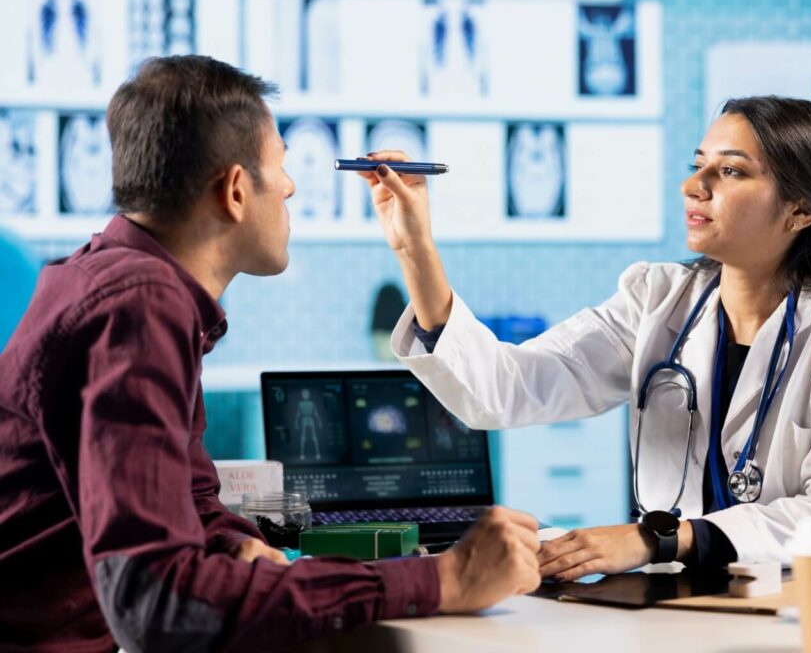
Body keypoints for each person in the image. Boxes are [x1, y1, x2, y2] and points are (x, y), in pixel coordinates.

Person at [0, 55, 540, 653]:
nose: (290, 186)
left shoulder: (108, 274)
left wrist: (236, 546)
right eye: (280, 166)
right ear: (235, 190)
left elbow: (189, 498)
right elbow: (158, 600)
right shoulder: (142, 303)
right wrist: (444, 578)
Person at [362, 96, 811, 582]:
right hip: (689, 596)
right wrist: (415, 247)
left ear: (801, 209)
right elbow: (504, 391)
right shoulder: (659, 298)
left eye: (729, 172)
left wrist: (659, 538)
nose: (692, 186)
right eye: (697, 165)